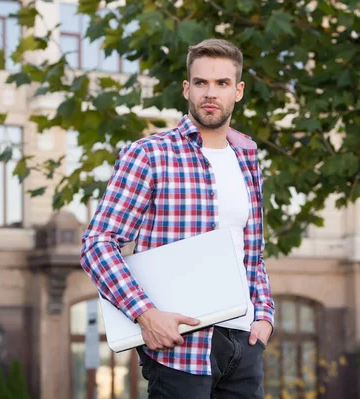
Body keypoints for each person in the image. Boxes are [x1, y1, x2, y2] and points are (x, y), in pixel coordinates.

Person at [80, 38, 275, 398]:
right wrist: (144, 313)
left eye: (222, 83)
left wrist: (264, 315)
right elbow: (97, 245)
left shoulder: (247, 159)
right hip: (180, 349)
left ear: (239, 91)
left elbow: (252, 253)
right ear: (187, 88)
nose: (210, 93)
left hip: (244, 345)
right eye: (201, 83)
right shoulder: (149, 154)